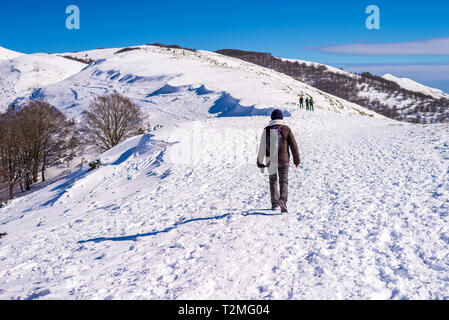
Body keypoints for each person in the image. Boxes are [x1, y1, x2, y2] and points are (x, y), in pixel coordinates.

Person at [257, 109, 301, 213]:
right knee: (283, 181)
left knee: (273, 181)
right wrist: (296, 160)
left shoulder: (266, 130)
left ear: (271, 118)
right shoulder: (286, 129)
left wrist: (259, 160)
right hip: (284, 160)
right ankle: (283, 201)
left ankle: (275, 204)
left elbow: (262, 147)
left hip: (270, 160)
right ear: (281, 118)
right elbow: (294, 146)